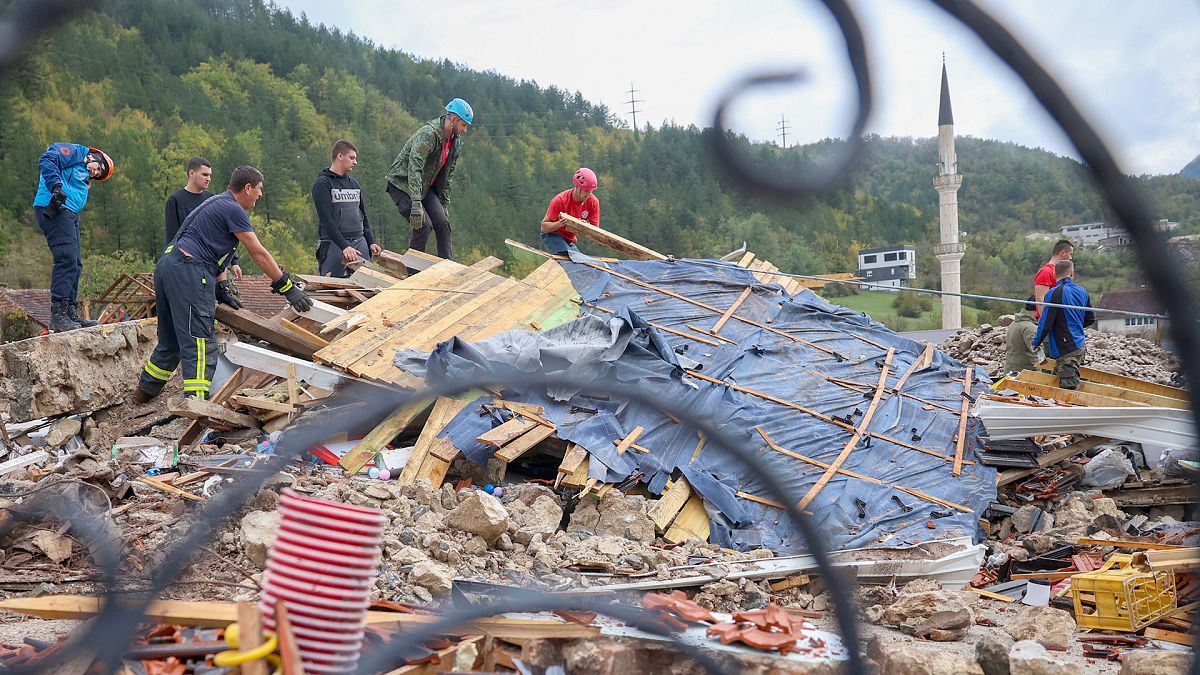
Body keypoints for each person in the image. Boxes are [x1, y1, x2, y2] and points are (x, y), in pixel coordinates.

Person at [133, 166, 312, 403]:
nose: (260, 195)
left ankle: (143, 394)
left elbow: (214, 254)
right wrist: (286, 287)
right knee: (199, 340)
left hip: (168, 266)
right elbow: (258, 253)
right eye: (259, 189)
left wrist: (222, 287)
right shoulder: (234, 210)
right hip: (189, 271)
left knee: (172, 341)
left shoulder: (215, 203)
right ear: (247, 188)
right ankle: (197, 403)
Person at [32, 142, 114, 331]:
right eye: (98, 168)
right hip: (54, 206)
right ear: (96, 156)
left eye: (98, 175)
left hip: (69, 213)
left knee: (76, 264)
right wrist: (56, 186)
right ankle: (58, 314)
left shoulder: (84, 173)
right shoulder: (77, 153)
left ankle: (70, 311)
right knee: (66, 257)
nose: (95, 173)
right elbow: (47, 159)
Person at [385, 98, 473, 260]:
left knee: (443, 224)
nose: (465, 130)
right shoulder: (429, 134)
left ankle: (447, 268)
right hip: (402, 184)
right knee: (423, 225)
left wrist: (444, 204)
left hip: (426, 186)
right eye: (464, 125)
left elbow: (448, 175)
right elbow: (415, 167)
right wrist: (416, 202)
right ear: (453, 120)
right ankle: (412, 271)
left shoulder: (455, 143)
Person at [164, 157, 242, 287]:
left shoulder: (212, 199)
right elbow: (172, 237)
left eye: (210, 175)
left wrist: (234, 262)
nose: (208, 178)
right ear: (192, 173)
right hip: (185, 264)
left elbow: (223, 234)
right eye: (205, 174)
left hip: (210, 265)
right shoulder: (175, 200)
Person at [314, 139, 379, 277]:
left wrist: (371, 242)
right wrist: (344, 246)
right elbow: (326, 219)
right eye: (352, 157)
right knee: (330, 289)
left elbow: (363, 216)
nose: (355, 162)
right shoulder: (323, 183)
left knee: (365, 287)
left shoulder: (354, 184)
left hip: (359, 242)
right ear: (340, 156)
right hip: (334, 244)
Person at [1032, 259, 1095, 390]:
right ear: (1072, 273)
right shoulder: (1082, 291)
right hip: (1079, 346)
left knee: (1067, 389)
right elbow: (1090, 319)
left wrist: (1036, 341)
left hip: (1065, 348)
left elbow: (1045, 322)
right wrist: (1074, 326)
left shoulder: (1053, 292)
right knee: (1066, 383)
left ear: (1054, 275)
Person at [539, 168, 600, 255]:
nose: (588, 194)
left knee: (583, 263)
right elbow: (544, 227)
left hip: (570, 239)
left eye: (591, 191)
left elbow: (595, 231)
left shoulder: (593, 202)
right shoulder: (560, 200)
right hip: (552, 235)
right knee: (572, 259)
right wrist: (560, 224)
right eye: (586, 191)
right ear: (578, 187)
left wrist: (584, 227)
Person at [1033, 239, 1073, 318]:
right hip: (1051, 322)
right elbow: (1041, 300)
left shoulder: (1062, 272)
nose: (1071, 258)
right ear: (1063, 253)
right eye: (1070, 254)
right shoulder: (1046, 272)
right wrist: (1045, 323)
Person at [1003, 297, 1039, 375]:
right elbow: (1038, 353)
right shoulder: (1030, 327)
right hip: (1023, 375)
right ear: (1039, 307)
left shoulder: (1016, 323)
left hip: (1011, 370)